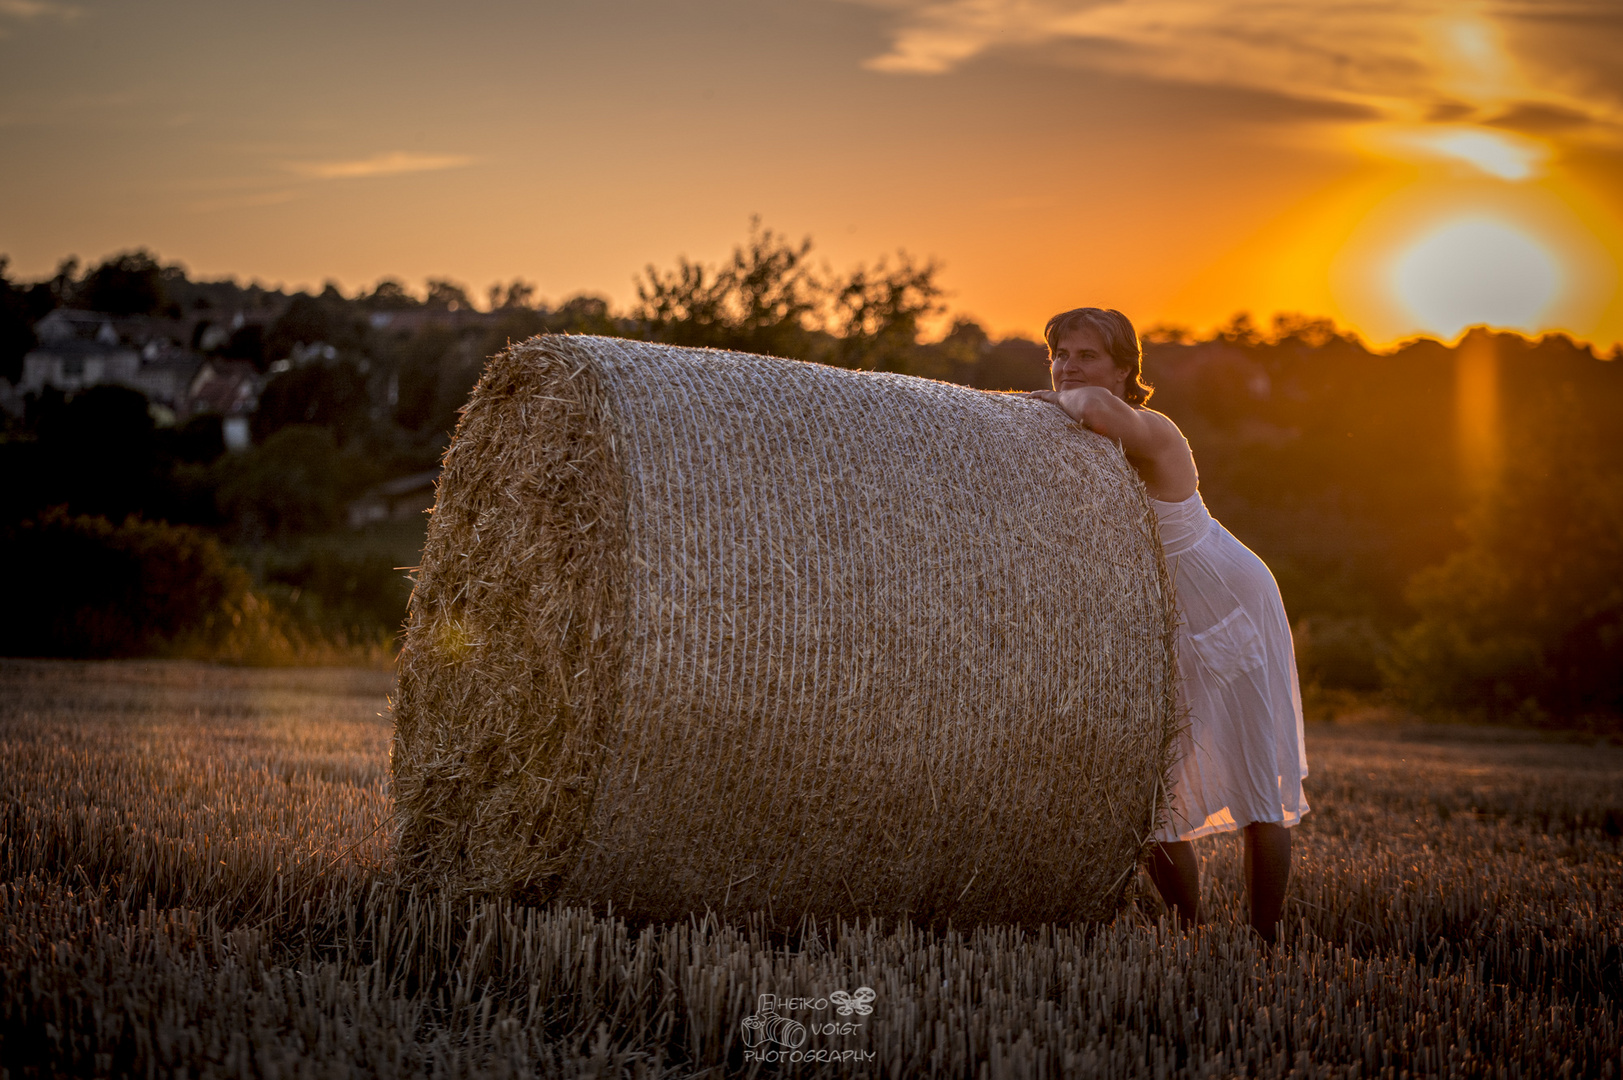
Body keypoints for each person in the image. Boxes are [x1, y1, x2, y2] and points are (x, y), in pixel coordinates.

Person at [1026, 307, 1309, 943]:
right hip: (1162, 620)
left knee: (1259, 780)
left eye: (1086, 356)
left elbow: (1097, 411)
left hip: (1227, 597)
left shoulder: (1150, 427)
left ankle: (1266, 942)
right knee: (1147, 793)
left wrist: (1024, 405)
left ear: (1126, 370)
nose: (1068, 367)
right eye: (1059, 354)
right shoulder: (1075, 436)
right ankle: (1193, 933)